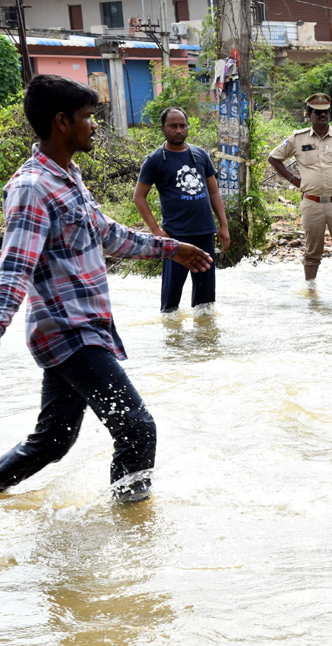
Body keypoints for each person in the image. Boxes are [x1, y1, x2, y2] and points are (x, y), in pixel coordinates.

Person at [0, 75, 213, 503]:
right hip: (68, 331)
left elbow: (110, 235)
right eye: (88, 117)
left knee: (53, 441)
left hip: (83, 328)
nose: (95, 125)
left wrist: (172, 249)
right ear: (62, 122)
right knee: (136, 426)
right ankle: (130, 523)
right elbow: (13, 270)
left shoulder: (67, 176)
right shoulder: (32, 188)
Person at [133, 106, 230, 313]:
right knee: (171, 298)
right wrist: (156, 231)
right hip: (175, 236)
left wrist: (223, 225)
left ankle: (205, 336)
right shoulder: (155, 160)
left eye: (182, 125)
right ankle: (171, 338)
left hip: (205, 231)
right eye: (173, 126)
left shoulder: (200, 155)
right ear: (163, 128)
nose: (178, 130)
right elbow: (139, 197)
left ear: (187, 127)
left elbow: (213, 193)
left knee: (205, 300)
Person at [268, 93, 332, 285]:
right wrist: (293, 179)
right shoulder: (297, 138)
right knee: (312, 252)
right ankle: (311, 294)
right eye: (318, 113)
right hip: (311, 203)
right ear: (309, 114)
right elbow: (273, 158)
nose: (323, 116)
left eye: (326, 112)